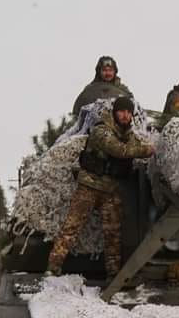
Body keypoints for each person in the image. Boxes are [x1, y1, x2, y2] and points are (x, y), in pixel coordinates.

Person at [47, 96, 154, 276]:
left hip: (109, 190)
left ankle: (113, 274)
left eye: (129, 112)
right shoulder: (101, 130)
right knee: (71, 228)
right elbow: (119, 150)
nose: (125, 115)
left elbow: (136, 145)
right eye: (122, 111)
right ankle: (52, 268)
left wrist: (151, 147)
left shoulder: (128, 134)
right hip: (89, 185)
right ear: (114, 112)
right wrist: (147, 150)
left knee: (112, 234)